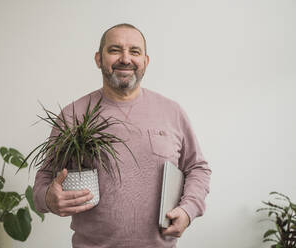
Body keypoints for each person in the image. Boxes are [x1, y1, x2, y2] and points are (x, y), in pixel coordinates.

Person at [33, 23, 211, 248]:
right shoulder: (72, 115)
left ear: (146, 61)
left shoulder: (172, 112)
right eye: (115, 50)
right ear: (99, 59)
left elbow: (197, 168)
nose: (125, 59)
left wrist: (188, 209)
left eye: (134, 51)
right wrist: (48, 198)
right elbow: (44, 179)